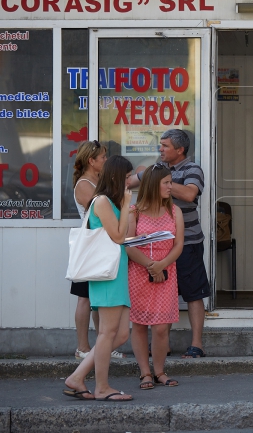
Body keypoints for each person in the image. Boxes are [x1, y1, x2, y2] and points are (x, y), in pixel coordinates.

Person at [133, 129, 209, 358]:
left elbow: (188, 194)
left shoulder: (192, 169)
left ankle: (197, 344)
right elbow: (132, 181)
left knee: (193, 293)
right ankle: (161, 344)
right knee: (162, 294)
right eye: (161, 145)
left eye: (165, 146)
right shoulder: (158, 167)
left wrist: (161, 180)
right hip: (160, 245)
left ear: (180, 150)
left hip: (188, 243)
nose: (160, 149)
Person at [63, 155, 134, 401]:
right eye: (126, 177)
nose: (129, 183)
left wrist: (125, 208)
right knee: (107, 333)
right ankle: (102, 387)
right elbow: (118, 236)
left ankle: (77, 376)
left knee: (121, 334)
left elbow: (121, 235)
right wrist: (126, 205)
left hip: (116, 273)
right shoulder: (102, 201)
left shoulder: (109, 201)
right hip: (107, 276)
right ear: (116, 177)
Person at [126, 163, 185, 389]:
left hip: (166, 270)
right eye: (167, 182)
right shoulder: (135, 211)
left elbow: (179, 245)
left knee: (161, 327)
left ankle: (159, 371)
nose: (171, 186)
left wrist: (162, 265)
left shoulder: (174, 211)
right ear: (153, 185)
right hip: (140, 272)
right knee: (140, 325)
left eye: (171, 182)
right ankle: (145, 373)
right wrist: (152, 266)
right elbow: (129, 245)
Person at [70, 140, 126, 361]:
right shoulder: (84, 184)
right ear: (91, 161)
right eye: (102, 157)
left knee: (99, 302)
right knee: (85, 298)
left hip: (104, 246)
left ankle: (104, 343)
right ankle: (83, 348)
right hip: (92, 248)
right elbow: (98, 213)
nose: (105, 160)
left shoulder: (99, 181)